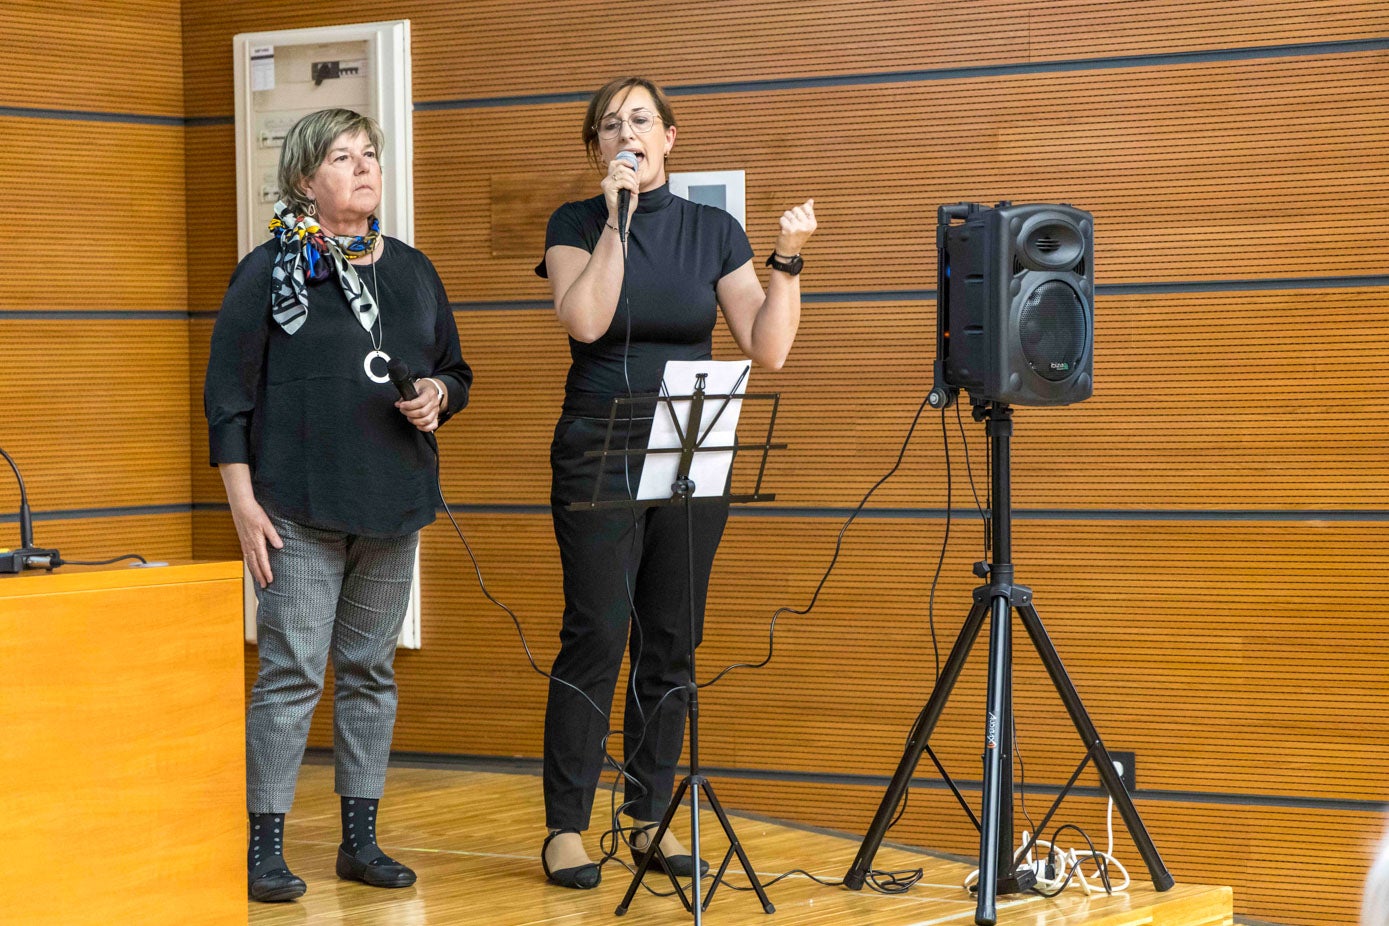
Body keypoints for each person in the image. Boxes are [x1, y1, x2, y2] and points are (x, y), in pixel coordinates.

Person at [535, 76, 817, 889]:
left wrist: (787, 262)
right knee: (597, 633)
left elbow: (767, 350)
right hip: (599, 448)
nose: (624, 134)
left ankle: (648, 814)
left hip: (691, 447)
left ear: (669, 137)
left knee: (670, 638)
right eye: (608, 126)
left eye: (639, 120)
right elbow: (586, 320)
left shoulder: (711, 231)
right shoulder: (575, 224)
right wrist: (616, 224)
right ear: (595, 149)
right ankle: (565, 826)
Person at [205, 108, 472, 903]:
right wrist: (243, 504)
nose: (362, 168)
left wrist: (435, 395)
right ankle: (264, 850)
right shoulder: (269, 269)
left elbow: (455, 369)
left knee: (369, 673)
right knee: (289, 674)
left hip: (394, 503)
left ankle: (360, 842)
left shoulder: (415, 269)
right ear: (304, 180)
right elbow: (227, 396)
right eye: (341, 157)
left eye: (369, 154)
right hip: (295, 506)